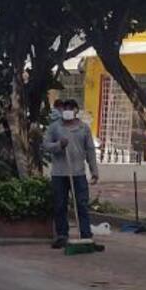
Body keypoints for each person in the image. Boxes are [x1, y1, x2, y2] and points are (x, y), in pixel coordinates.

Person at [42, 98, 99, 249]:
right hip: (60, 173)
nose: (67, 112)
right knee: (60, 205)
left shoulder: (83, 128)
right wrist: (59, 145)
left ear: (76, 111)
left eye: (71, 109)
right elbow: (46, 145)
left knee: (82, 204)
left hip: (78, 173)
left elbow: (90, 150)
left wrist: (94, 171)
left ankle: (86, 235)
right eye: (65, 109)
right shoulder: (55, 128)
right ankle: (62, 235)